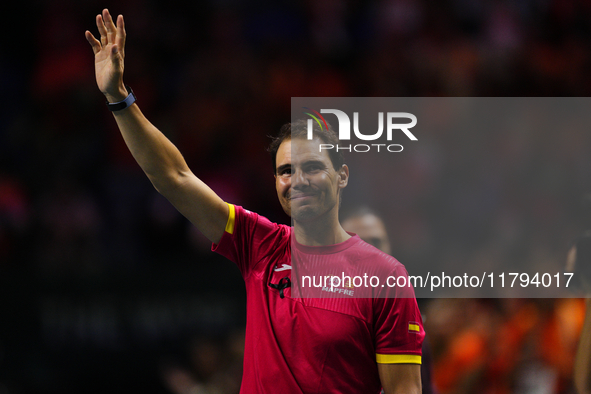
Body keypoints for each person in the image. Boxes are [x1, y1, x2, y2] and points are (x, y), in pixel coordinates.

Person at [85, 9, 423, 393]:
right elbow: (174, 177)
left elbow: (404, 390)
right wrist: (118, 97)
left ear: (342, 175)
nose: (298, 181)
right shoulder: (259, 244)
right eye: (286, 171)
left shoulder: (384, 277)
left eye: (312, 167)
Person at [341, 206, 436, 394]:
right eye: (357, 242)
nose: (370, 253)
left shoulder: (411, 330)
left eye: (376, 242)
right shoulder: (314, 323)